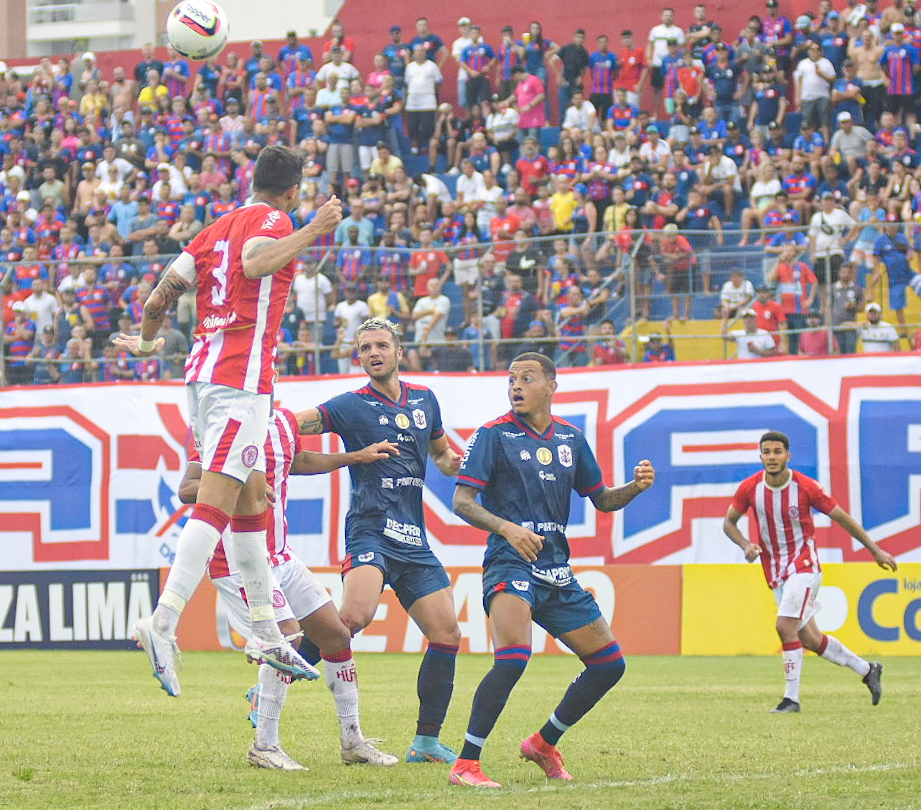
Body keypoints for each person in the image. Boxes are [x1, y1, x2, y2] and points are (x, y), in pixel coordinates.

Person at [116, 145, 343, 696]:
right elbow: (256, 263)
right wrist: (313, 227)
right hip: (238, 379)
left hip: (204, 379)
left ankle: (265, 633)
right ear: (291, 190)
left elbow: (156, 303)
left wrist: (148, 344)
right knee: (218, 502)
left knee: (252, 501)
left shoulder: (211, 230)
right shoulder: (275, 219)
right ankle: (162, 621)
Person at [449, 351, 656, 787]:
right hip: (511, 561)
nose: (516, 386)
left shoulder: (571, 439)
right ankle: (467, 763)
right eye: (511, 380)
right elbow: (462, 502)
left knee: (609, 665)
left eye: (526, 378)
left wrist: (635, 488)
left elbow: (601, 500)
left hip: (557, 570)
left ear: (551, 386)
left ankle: (543, 744)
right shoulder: (492, 434)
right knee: (513, 659)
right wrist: (508, 529)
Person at [180, 409, 399, 769]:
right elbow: (187, 488)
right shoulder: (219, 424)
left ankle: (353, 741)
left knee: (336, 636)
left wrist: (355, 457)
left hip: (280, 556)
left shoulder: (283, 422)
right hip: (238, 561)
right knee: (285, 640)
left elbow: (298, 461)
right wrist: (238, 486)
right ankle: (264, 746)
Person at [293, 317, 463, 764]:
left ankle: (426, 743)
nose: (373, 352)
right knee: (353, 616)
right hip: (370, 528)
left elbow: (442, 454)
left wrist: (457, 464)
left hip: (414, 538)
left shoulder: (426, 400)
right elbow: (298, 424)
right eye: (365, 346)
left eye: (381, 345)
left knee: (446, 633)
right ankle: (274, 682)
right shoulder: (352, 405)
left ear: (398, 352)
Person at [722, 431, 896, 714]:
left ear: (788, 456)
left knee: (784, 626)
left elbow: (843, 518)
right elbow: (729, 523)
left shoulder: (806, 487)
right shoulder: (750, 488)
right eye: (767, 452)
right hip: (776, 571)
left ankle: (791, 699)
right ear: (761, 456)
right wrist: (745, 545)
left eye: (778, 452)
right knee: (810, 639)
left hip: (805, 565)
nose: (772, 457)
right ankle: (868, 669)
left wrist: (875, 550)